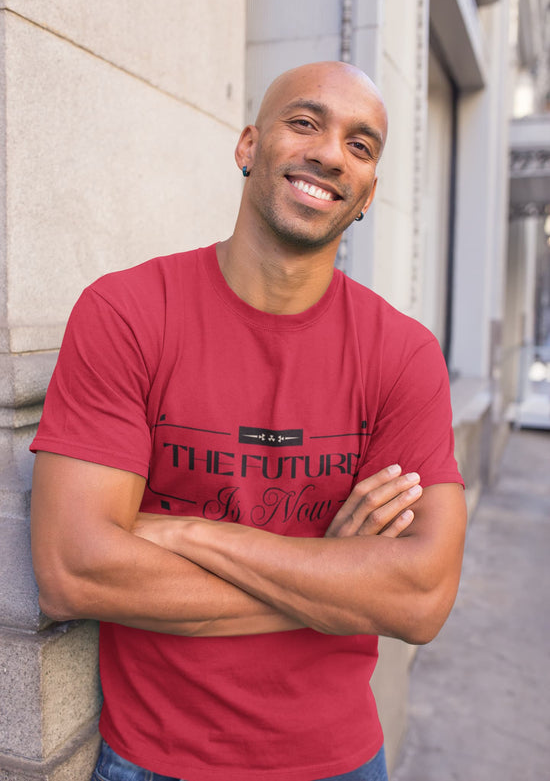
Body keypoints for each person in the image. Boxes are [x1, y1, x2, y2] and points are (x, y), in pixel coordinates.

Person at [30, 61, 467, 781]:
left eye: (360, 146)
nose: (331, 154)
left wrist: (189, 532)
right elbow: (74, 571)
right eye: (305, 122)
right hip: (155, 760)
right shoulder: (128, 314)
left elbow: (420, 599)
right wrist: (337, 581)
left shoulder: (403, 354)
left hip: (340, 760)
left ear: (367, 194)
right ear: (248, 145)